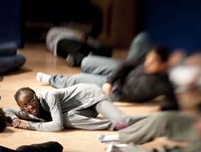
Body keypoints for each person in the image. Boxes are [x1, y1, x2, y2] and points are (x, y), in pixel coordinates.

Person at [37, 45, 179, 110]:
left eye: (153, 62)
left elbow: (175, 102)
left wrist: (160, 108)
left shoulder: (165, 82)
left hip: (118, 91)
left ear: (163, 64)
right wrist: (110, 80)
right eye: (148, 59)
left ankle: (52, 79)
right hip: (118, 76)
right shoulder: (148, 59)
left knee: (77, 79)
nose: (148, 63)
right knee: (87, 61)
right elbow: (128, 64)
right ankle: (100, 76)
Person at [5, 84, 143, 132]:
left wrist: (29, 126)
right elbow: (6, 109)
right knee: (65, 118)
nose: (30, 106)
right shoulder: (27, 113)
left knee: (123, 119)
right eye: (25, 106)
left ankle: (160, 118)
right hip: (81, 110)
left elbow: (57, 126)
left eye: (32, 100)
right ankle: (112, 126)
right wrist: (14, 120)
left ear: (36, 95)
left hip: (93, 97)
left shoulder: (49, 96)